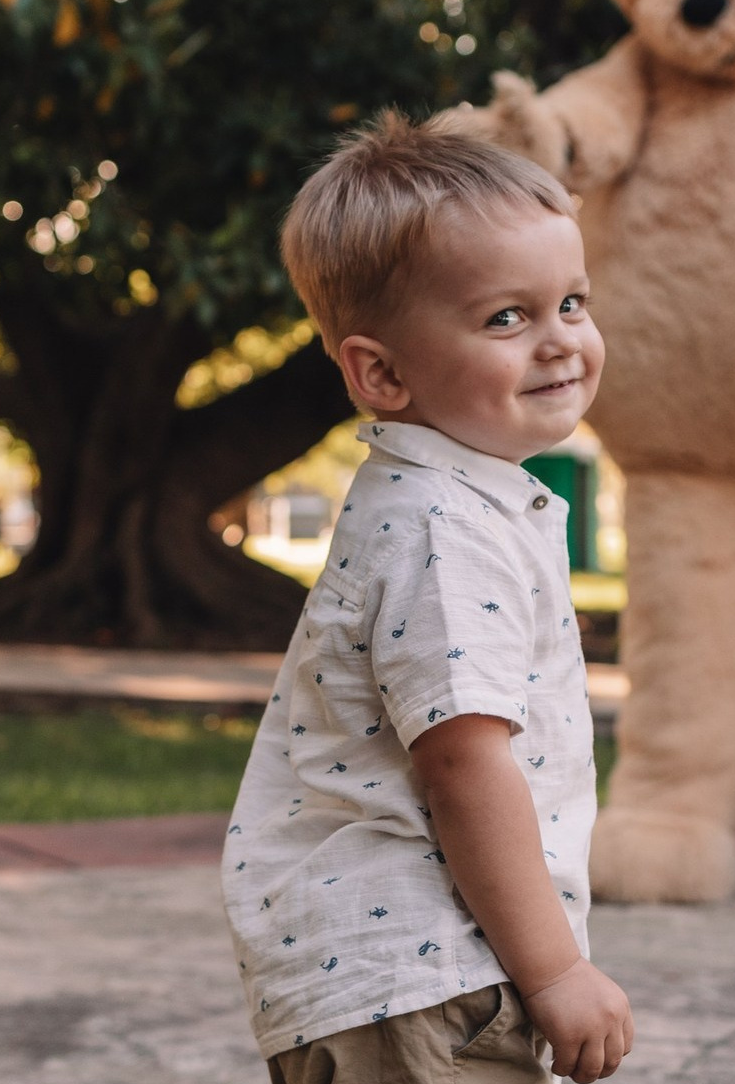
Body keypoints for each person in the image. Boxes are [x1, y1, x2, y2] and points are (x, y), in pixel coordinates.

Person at [222, 110, 633, 1084]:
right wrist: (557, 967)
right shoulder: (444, 530)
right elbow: (462, 764)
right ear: (381, 371)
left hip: (408, 963)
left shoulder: (452, 497)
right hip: (421, 969)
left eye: (570, 301)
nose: (559, 341)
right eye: (507, 316)